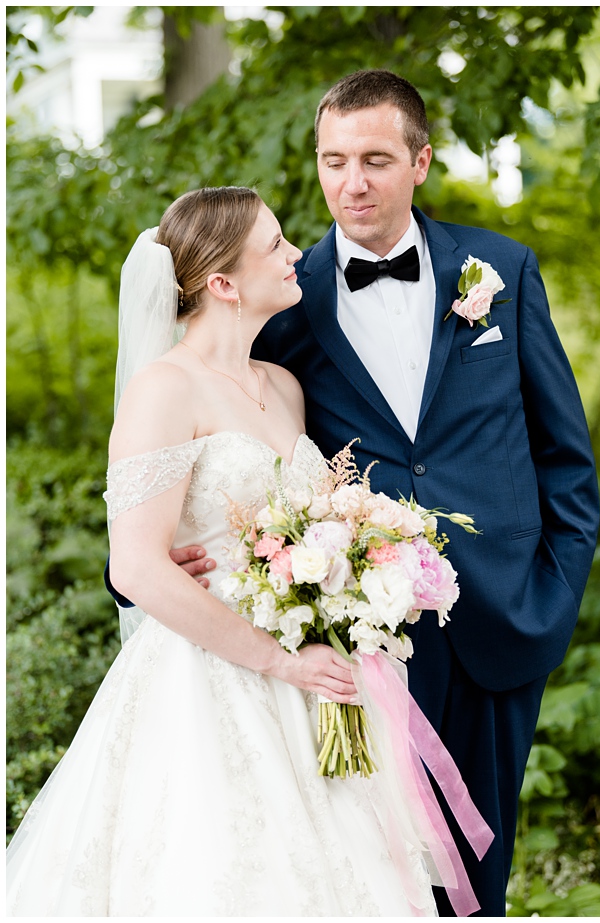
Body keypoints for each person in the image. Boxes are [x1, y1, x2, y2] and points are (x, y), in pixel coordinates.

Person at [103, 70, 600, 916]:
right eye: (334, 160)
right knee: (368, 872)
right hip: (353, 647)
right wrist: (145, 571)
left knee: (478, 873)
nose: (351, 182)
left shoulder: (501, 272)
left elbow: (565, 455)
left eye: (374, 158)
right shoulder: (289, 310)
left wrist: (552, 597)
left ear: (420, 161)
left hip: (499, 617)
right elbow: (175, 489)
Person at [7, 187, 438, 914]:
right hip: (210, 677)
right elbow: (136, 565)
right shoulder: (163, 390)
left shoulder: (284, 386)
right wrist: (279, 661)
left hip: (316, 670)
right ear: (223, 283)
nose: (298, 253)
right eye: (274, 244)